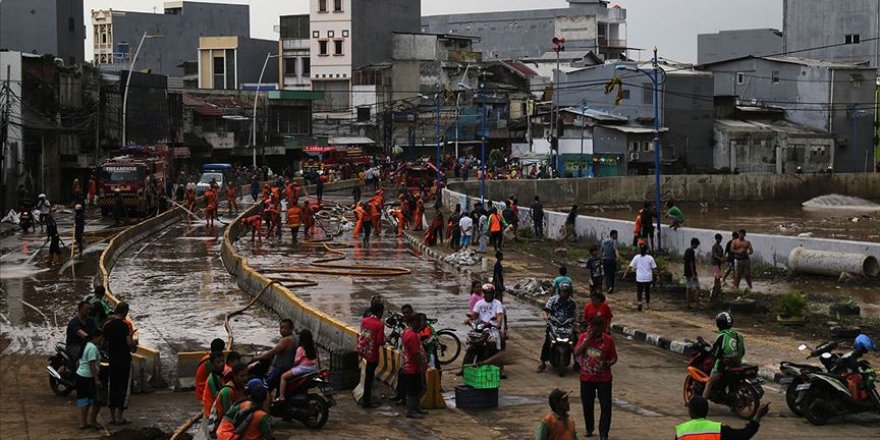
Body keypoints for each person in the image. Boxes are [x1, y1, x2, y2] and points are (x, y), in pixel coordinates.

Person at [574, 317, 617, 440]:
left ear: (602, 329)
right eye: (594, 329)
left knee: (606, 405)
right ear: (591, 328)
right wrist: (587, 341)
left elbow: (614, 358)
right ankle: (589, 428)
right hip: (586, 377)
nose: (597, 332)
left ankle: (604, 433)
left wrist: (607, 363)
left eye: (599, 330)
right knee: (587, 404)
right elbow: (576, 352)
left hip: (604, 378)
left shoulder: (608, 341)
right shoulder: (583, 338)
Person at [102, 302, 137, 425]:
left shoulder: (107, 325)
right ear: (125, 312)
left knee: (112, 386)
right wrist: (134, 342)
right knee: (123, 387)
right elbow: (129, 344)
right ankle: (119, 417)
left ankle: (112, 418)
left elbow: (104, 343)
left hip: (112, 360)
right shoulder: (126, 325)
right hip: (124, 360)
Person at [677, 396, 769, 440]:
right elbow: (744, 435)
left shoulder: (681, 431)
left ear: (691, 412)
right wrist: (758, 415)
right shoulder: (718, 429)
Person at [703, 312, 745, 400]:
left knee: (709, 382)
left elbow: (716, 353)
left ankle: (702, 403)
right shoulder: (737, 335)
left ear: (719, 324)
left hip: (724, 366)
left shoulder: (722, 336)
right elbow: (742, 351)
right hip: (737, 364)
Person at [538, 281, 577, 373]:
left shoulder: (572, 302)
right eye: (563, 291)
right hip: (554, 325)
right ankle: (542, 362)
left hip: (568, 326)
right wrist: (545, 316)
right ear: (559, 291)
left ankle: (577, 363)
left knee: (576, 341)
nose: (565, 293)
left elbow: (576, 314)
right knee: (547, 341)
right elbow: (546, 310)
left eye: (567, 291)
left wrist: (578, 322)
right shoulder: (553, 300)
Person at [251, 318, 297, 391]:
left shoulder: (286, 340)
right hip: (288, 368)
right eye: (281, 328)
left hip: (280, 369)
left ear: (291, 329)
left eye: (285, 328)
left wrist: (257, 358)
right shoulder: (294, 338)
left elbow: (272, 352)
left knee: (266, 388)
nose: (282, 330)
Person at [208, 362, 248, 438]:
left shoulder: (241, 387)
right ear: (235, 376)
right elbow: (228, 415)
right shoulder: (228, 391)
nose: (245, 378)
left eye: (246, 375)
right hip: (218, 427)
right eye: (242, 376)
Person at [400, 313, 429, 418]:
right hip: (412, 367)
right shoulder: (411, 335)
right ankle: (411, 410)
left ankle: (416, 408)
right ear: (414, 322)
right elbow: (416, 353)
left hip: (410, 366)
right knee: (414, 390)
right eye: (420, 322)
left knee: (416, 389)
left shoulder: (408, 331)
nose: (422, 324)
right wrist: (422, 365)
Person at [277, 329, 319, 400]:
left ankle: (281, 396)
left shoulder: (300, 349)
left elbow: (296, 361)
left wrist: (292, 366)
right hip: (313, 368)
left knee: (283, 376)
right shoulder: (313, 348)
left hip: (302, 368)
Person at [358, 302, 385, 409]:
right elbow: (379, 341)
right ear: (379, 312)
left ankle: (366, 399)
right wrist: (384, 341)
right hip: (373, 353)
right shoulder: (379, 324)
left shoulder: (364, 321)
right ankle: (366, 401)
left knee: (368, 377)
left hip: (364, 351)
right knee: (369, 378)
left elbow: (364, 334)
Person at [75, 328, 103, 429]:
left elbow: (80, 361)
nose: (101, 340)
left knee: (83, 399)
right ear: (96, 337)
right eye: (101, 338)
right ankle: (92, 420)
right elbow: (92, 364)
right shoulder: (92, 348)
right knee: (97, 400)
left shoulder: (86, 345)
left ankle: (83, 422)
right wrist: (96, 379)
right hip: (88, 377)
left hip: (81, 375)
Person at [622, 245, 658, 312]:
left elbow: (630, 266)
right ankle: (647, 305)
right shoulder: (650, 258)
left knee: (639, 291)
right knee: (647, 291)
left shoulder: (636, 257)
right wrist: (657, 276)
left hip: (640, 278)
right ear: (647, 250)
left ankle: (639, 302)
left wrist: (625, 273)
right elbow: (654, 268)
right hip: (648, 277)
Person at [202, 350, 227, 418]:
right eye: (218, 362)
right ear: (212, 364)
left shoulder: (220, 375)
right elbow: (219, 398)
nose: (222, 364)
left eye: (223, 361)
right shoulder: (213, 379)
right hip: (212, 413)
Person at [684, 238, 701, 308]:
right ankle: (697, 304)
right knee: (697, 288)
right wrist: (693, 273)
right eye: (696, 245)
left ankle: (688, 303)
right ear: (694, 244)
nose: (697, 247)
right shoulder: (691, 252)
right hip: (691, 273)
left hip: (687, 272)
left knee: (688, 287)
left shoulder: (687, 251)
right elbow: (691, 262)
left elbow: (685, 261)